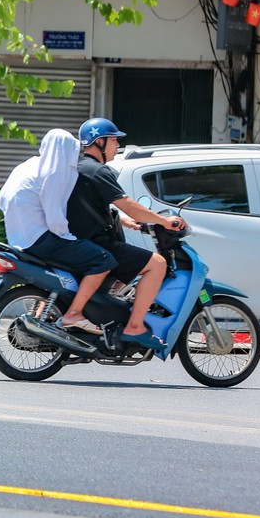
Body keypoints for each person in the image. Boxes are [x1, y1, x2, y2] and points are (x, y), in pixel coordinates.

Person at [66, 118, 185, 352]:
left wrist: (125, 222)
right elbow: (127, 204)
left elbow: (88, 208)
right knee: (158, 264)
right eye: (113, 141)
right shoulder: (98, 170)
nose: (117, 147)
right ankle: (134, 326)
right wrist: (163, 221)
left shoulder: (78, 167)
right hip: (97, 244)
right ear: (99, 142)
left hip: (79, 240)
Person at [0, 129, 116, 335]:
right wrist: (68, 234)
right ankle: (74, 314)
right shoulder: (56, 171)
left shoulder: (28, 165)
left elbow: (2, 200)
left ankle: (47, 310)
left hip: (18, 238)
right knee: (103, 259)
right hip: (41, 239)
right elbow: (55, 216)